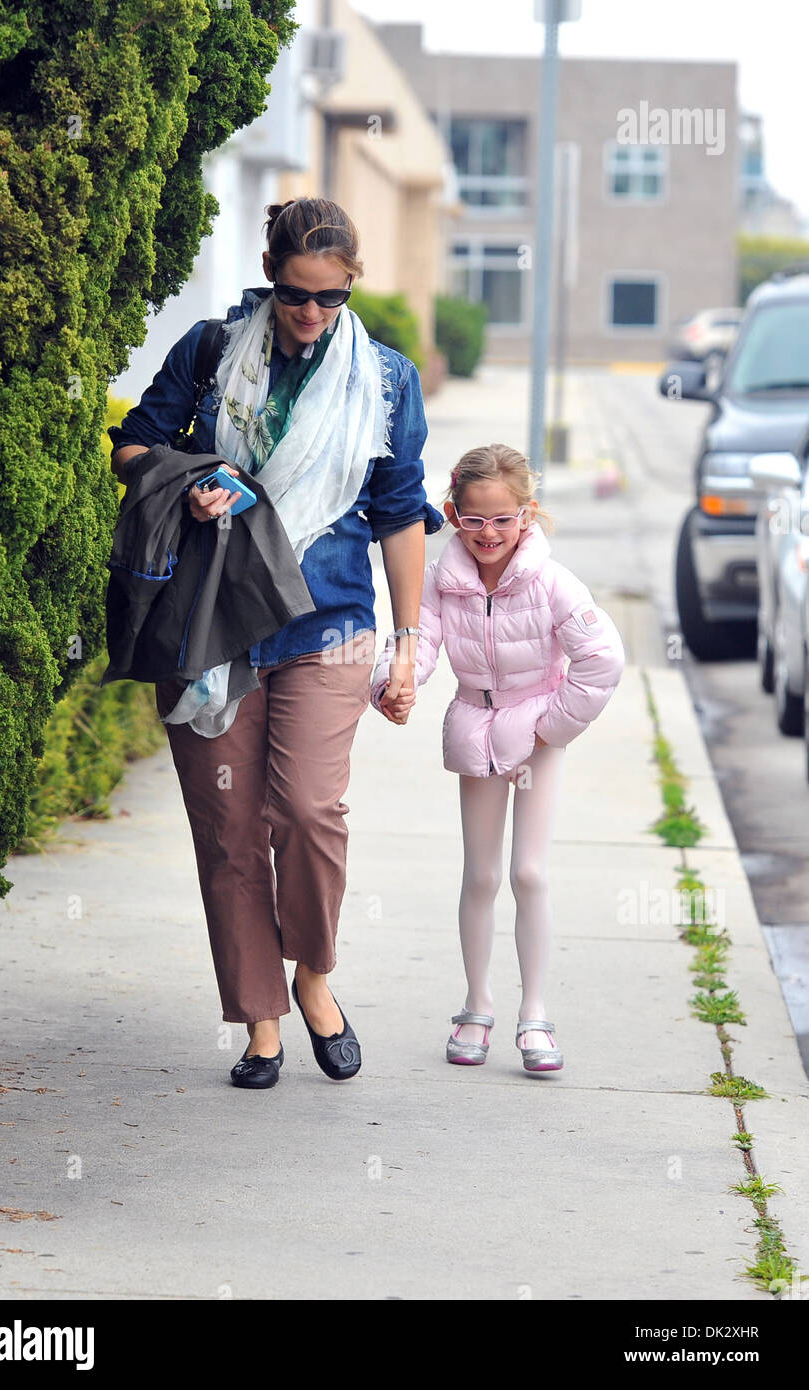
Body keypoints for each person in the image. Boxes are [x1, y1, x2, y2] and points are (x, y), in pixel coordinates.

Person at [109, 197, 443, 1089]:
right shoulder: (213, 350)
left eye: (330, 298)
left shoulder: (384, 380)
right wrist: (193, 480)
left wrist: (407, 644)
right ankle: (261, 1020)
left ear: (351, 287)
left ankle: (316, 977)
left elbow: (402, 514)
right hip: (213, 619)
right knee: (226, 831)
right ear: (268, 273)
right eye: (295, 294)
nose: (310, 314)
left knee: (306, 812)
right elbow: (135, 446)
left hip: (328, 620)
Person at [371, 444, 625, 1073]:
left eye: (503, 519)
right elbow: (417, 642)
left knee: (529, 873)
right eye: (474, 519)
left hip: (535, 732)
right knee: (480, 875)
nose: (489, 533)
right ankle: (476, 1005)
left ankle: (534, 1013)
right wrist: (394, 682)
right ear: (454, 515)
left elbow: (602, 660)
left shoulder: (554, 583)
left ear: (527, 516)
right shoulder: (441, 581)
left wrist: (551, 726)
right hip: (475, 726)